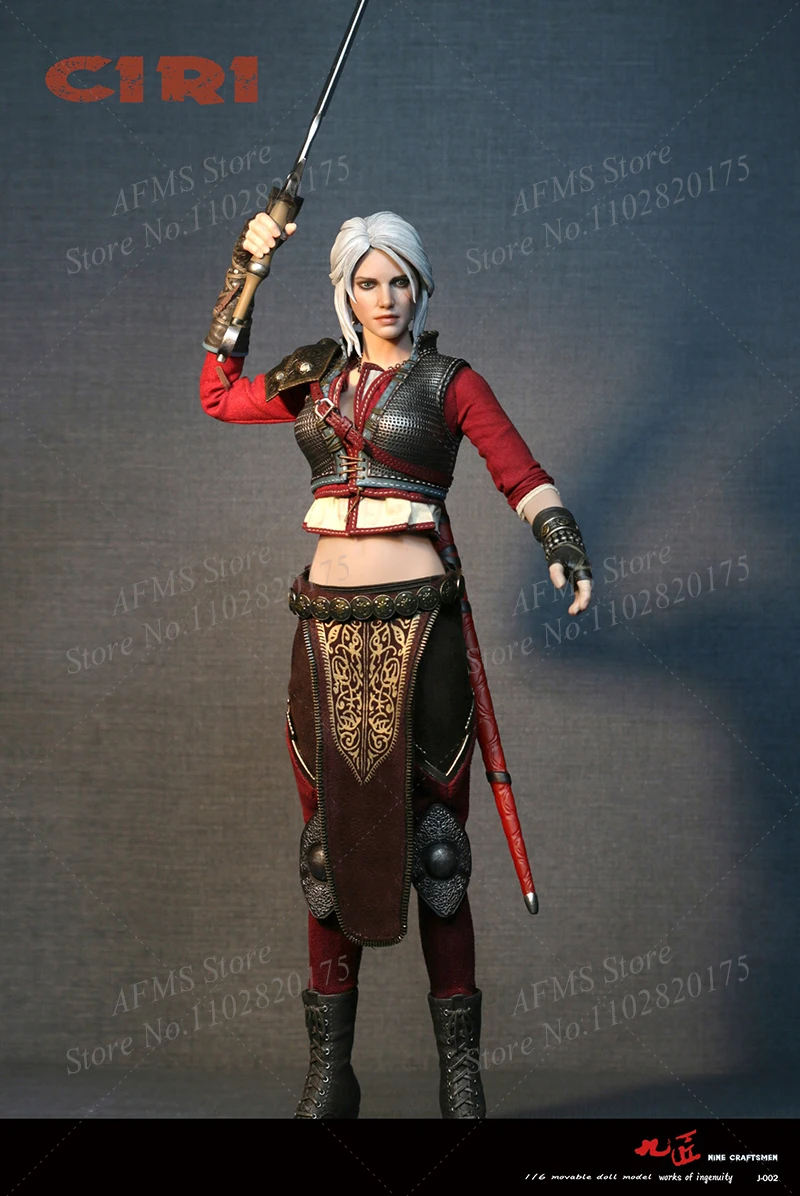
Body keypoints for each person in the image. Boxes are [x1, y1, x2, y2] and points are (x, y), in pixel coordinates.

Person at [199, 209, 592, 1119]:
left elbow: (519, 472)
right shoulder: (312, 381)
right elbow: (218, 394)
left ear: (421, 287)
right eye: (368, 282)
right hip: (324, 631)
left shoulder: (450, 382)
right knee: (327, 852)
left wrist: (560, 537)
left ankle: (462, 1078)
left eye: (400, 281)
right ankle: (329, 1076)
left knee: (439, 850)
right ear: (345, 289)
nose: (385, 298)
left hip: (425, 630)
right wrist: (246, 270)